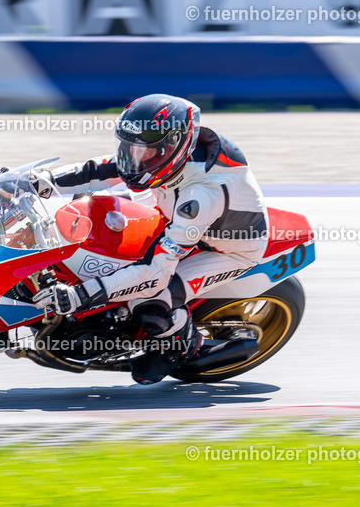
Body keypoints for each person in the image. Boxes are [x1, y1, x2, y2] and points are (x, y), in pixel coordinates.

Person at [30, 94, 268, 384]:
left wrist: (80, 296)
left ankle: (182, 348)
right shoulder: (165, 153)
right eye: (130, 147)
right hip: (173, 213)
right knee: (90, 212)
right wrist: (44, 181)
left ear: (176, 148)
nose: (135, 158)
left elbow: (156, 273)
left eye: (148, 152)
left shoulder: (201, 197)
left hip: (222, 248)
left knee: (150, 301)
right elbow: (103, 168)